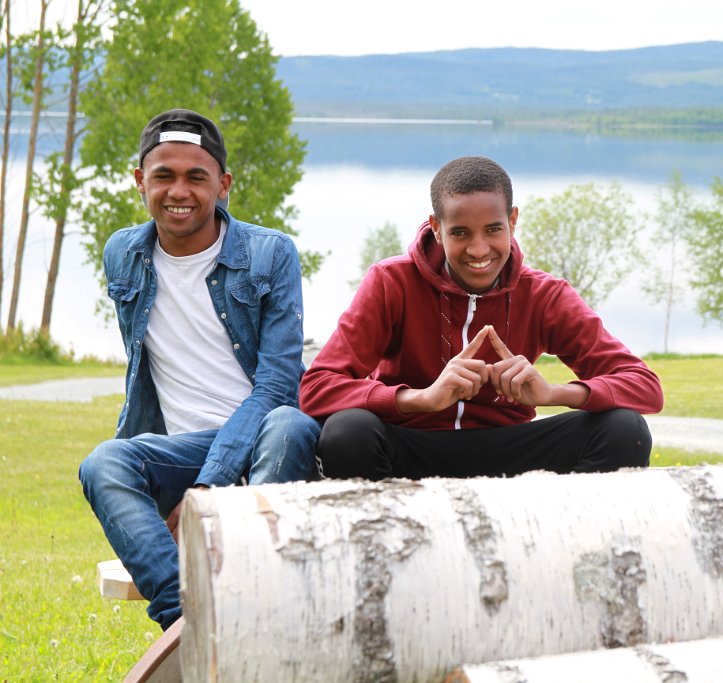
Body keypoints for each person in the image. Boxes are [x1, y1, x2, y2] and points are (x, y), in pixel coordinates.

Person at [78, 109, 319, 630]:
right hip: (179, 455)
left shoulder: (270, 254)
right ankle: (186, 622)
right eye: (163, 175)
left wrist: (208, 490)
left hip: (262, 450)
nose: (178, 191)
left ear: (223, 185)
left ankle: (245, 597)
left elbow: (278, 387)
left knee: (290, 423)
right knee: (104, 462)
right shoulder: (122, 253)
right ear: (140, 180)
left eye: (196, 176)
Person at [300, 155, 662, 480]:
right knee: (348, 432)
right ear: (436, 227)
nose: (478, 250)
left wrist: (553, 393)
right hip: (413, 446)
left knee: (625, 430)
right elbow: (317, 388)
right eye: (460, 233)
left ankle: (557, 528)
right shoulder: (391, 282)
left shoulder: (544, 294)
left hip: (510, 449)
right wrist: (421, 398)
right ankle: (393, 529)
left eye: (493, 229)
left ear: (513, 221)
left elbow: (645, 386)